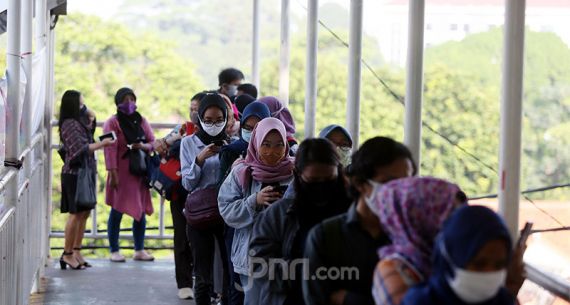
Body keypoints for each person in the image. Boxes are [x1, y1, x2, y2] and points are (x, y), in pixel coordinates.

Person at [303, 137, 416, 305]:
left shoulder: (414, 237)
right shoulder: (325, 237)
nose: (399, 191)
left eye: (405, 183)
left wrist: (349, 299)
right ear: (360, 183)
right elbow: (317, 300)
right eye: (388, 183)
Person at [248, 138, 352, 305]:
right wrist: (308, 272)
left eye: (329, 179)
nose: (322, 187)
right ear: (298, 175)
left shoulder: (352, 212)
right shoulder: (277, 215)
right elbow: (259, 266)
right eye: (313, 181)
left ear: (338, 173)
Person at [219, 118, 295, 304]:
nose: (272, 152)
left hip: (288, 257)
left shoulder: (295, 173)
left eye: (279, 145)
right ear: (256, 143)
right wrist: (255, 201)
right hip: (252, 256)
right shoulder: (242, 173)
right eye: (266, 144)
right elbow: (226, 208)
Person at [371, 177, 467, 305]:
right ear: (419, 217)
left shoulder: (451, 256)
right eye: (448, 214)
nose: (458, 223)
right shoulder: (392, 270)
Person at [401, 205, 517, 305]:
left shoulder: (503, 301)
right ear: (450, 259)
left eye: (499, 265)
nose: (489, 273)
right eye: (479, 264)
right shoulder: (418, 302)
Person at [180, 93, 230, 305]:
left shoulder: (232, 144)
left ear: (226, 119)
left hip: (226, 212)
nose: (213, 125)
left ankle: (227, 299)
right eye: (208, 121)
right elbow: (188, 184)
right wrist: (200, 159)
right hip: (199, 214)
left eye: (219, 120)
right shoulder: (188, 143)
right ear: (199, 119)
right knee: (203, 270)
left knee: (229, 266)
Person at [58, 90, 114, 270]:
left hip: (86, 172)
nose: (84, 107)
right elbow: (80, 148)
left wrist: (92, 118)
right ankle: (67, 254)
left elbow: (87, 137)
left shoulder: (78, 122)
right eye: (81, 104)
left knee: (85, 212)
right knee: (75, 214)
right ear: (73, 105)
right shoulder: (68, 124)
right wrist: (103, 144)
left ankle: (76, 250)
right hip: (74, 174)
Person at [103, 87, 156, 262]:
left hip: (139, 171)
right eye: (125, 100)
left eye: (132, 99)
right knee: (117, 210)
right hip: (120, 172)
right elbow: (108, 148)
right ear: (117, 103)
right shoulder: (112, 122)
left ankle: (139, 249)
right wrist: (113, 172)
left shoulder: (141, 120)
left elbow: (152, 142)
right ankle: (114, 250)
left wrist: (143, 147)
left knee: (139, 211)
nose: (129, 104)